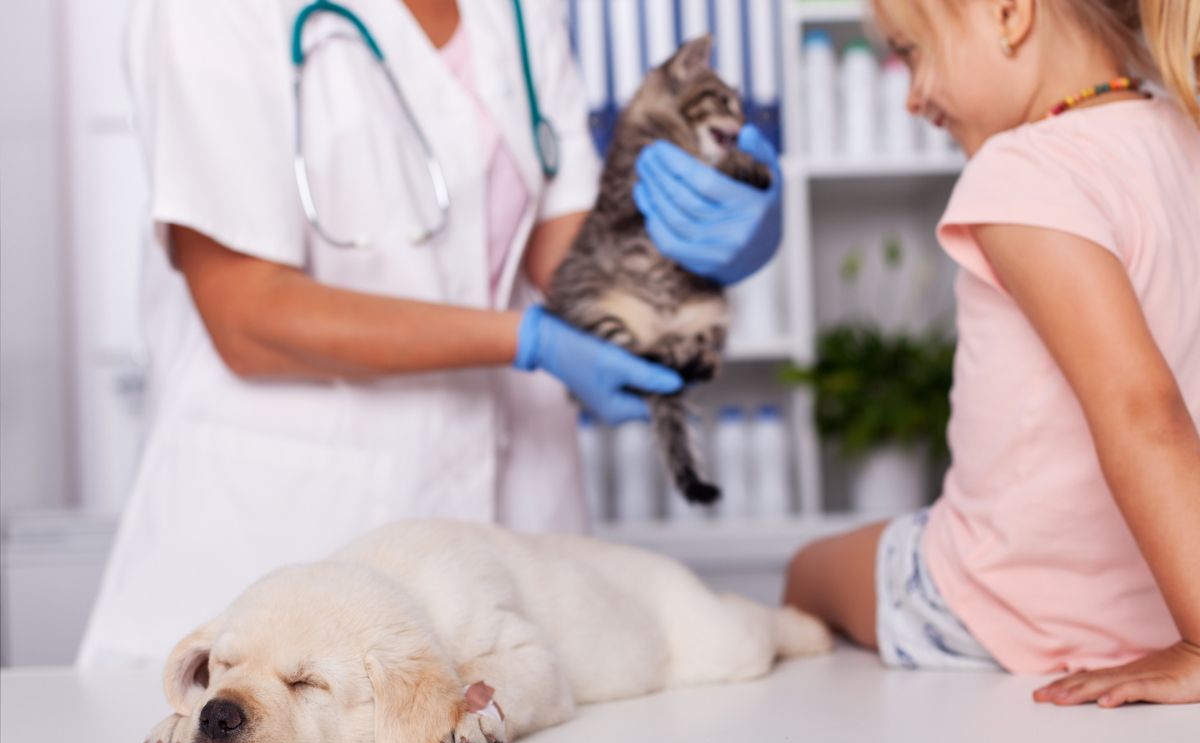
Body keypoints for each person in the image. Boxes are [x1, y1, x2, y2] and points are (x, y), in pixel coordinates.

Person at [78, 0, 782, 667]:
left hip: (513, 532)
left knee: (529, 718)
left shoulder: (521, 11)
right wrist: (526, 341)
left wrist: (714, 241)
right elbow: (247, 317)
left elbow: (566, 257)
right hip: (287, 535)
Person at [784, 0, 1200, 706]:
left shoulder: (1026, 169)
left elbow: (1142, 410)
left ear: (1008, 14)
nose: (912, 97)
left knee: (806, 571)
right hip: (1165, 599)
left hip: (1003, 601)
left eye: (911, 53)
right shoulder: (1184, 137)